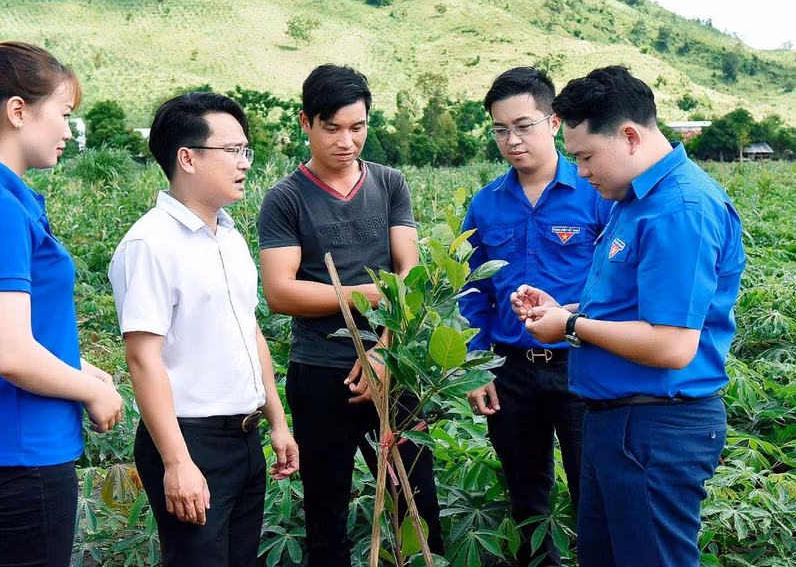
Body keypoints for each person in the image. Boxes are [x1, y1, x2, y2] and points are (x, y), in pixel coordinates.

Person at [513, 65, 745, 567]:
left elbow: (672, 344)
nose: (580, 170)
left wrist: (570, 328)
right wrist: (565, 308)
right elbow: (630, 306)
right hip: (616, 423)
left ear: (631, 137)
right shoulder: (632, 199)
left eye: (586, 156)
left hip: (656, 426)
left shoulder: (680, 209)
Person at [0, 42, 123, 567]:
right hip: (21, 448)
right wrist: (91, 393)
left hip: (16, 440)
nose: (67, 131)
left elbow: (19, 329)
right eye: (64, 114)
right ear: (17, 111)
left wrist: (81, 367)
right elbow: (9, 351)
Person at [258, 64, 444, 565]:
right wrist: (369, 294)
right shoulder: (285, 198)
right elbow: (280, 292)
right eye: (332, 128)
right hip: (320, 370)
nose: (347, 140)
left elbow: (409, 270)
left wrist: (384, 349)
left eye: (357, 127)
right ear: (306, 123)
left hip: (394, 364)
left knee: (419, 502)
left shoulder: (389, 183)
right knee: (327, 514)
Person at [108, 91, 299, 567]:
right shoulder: (149, 244)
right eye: (232, 150)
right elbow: (142, 358)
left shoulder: (229, 237)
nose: (244, 163)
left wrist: (276, 422)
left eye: (245, 150)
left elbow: (249, 331)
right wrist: (177, 462)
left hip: (244, 436)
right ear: (187, 158)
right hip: (189, 439)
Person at [459, 67, 612, 566]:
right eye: (500, 129)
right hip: (509, 371)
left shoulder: (597, 194)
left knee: (595, 492)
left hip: (581, 363)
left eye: (523, 125)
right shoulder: (485, 204)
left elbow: (616, 283)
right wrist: (476, 362)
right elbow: (471, 291)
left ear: (552, 121)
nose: (512, 140)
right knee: (527, 498)